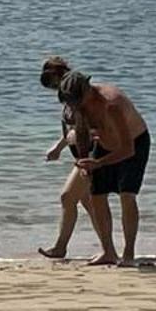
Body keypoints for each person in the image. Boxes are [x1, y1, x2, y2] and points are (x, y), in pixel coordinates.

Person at [58, 69, 152, 266]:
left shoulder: (111, 104)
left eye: (76, 101)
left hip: (134, 145)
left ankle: (128, 255)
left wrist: (99, 163)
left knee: (127, 196)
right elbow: (82, 133)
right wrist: (84, 161)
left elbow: (127, 149)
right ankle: (108, 251)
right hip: (104, 146)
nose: (73, 106)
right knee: (97, 196)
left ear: (87, 90)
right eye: (69, 102)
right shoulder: (77, 106)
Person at [37, 55, 98, 259]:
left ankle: (60, 247)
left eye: (53, 85)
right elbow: (73, 129)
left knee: (67, 197)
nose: (56, 91)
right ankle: (109, 248)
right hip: (82, 153)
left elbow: (91, 126)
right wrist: (59, 147)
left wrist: (83, 153)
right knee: (88, 202)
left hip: (90, 153)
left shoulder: (75, 91)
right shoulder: (71, 93)